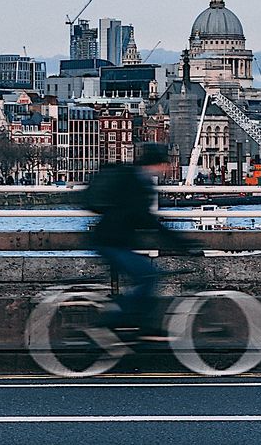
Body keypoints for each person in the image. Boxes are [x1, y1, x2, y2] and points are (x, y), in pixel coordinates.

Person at [80, 142, 201, 336]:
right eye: (164, 164)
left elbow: (145, 219)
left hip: (115, 240)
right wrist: (181, 243)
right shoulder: (137, 182)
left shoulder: (134, 178)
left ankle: (138, 324)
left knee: (145, 277)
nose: (166, 169)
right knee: (148, 277)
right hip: (111, 242)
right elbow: (149, 220)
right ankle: (111, 324)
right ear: (156, 164)